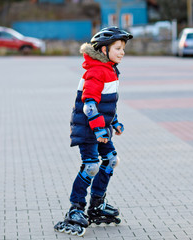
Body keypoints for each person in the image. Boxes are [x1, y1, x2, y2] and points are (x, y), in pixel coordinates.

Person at [54, 26, 133, 236]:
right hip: (88, 128)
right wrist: (99, 129)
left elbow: (107, 104)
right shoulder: (97, 71)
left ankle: (97, 204)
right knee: (91, 166)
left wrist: (114, 121)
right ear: (104, 50)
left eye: (123, 48)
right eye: (118, 48)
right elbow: (89, 105)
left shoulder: (110, 70)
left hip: (100, 128)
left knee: (111, 160)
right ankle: (76, 209)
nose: (122, 52)